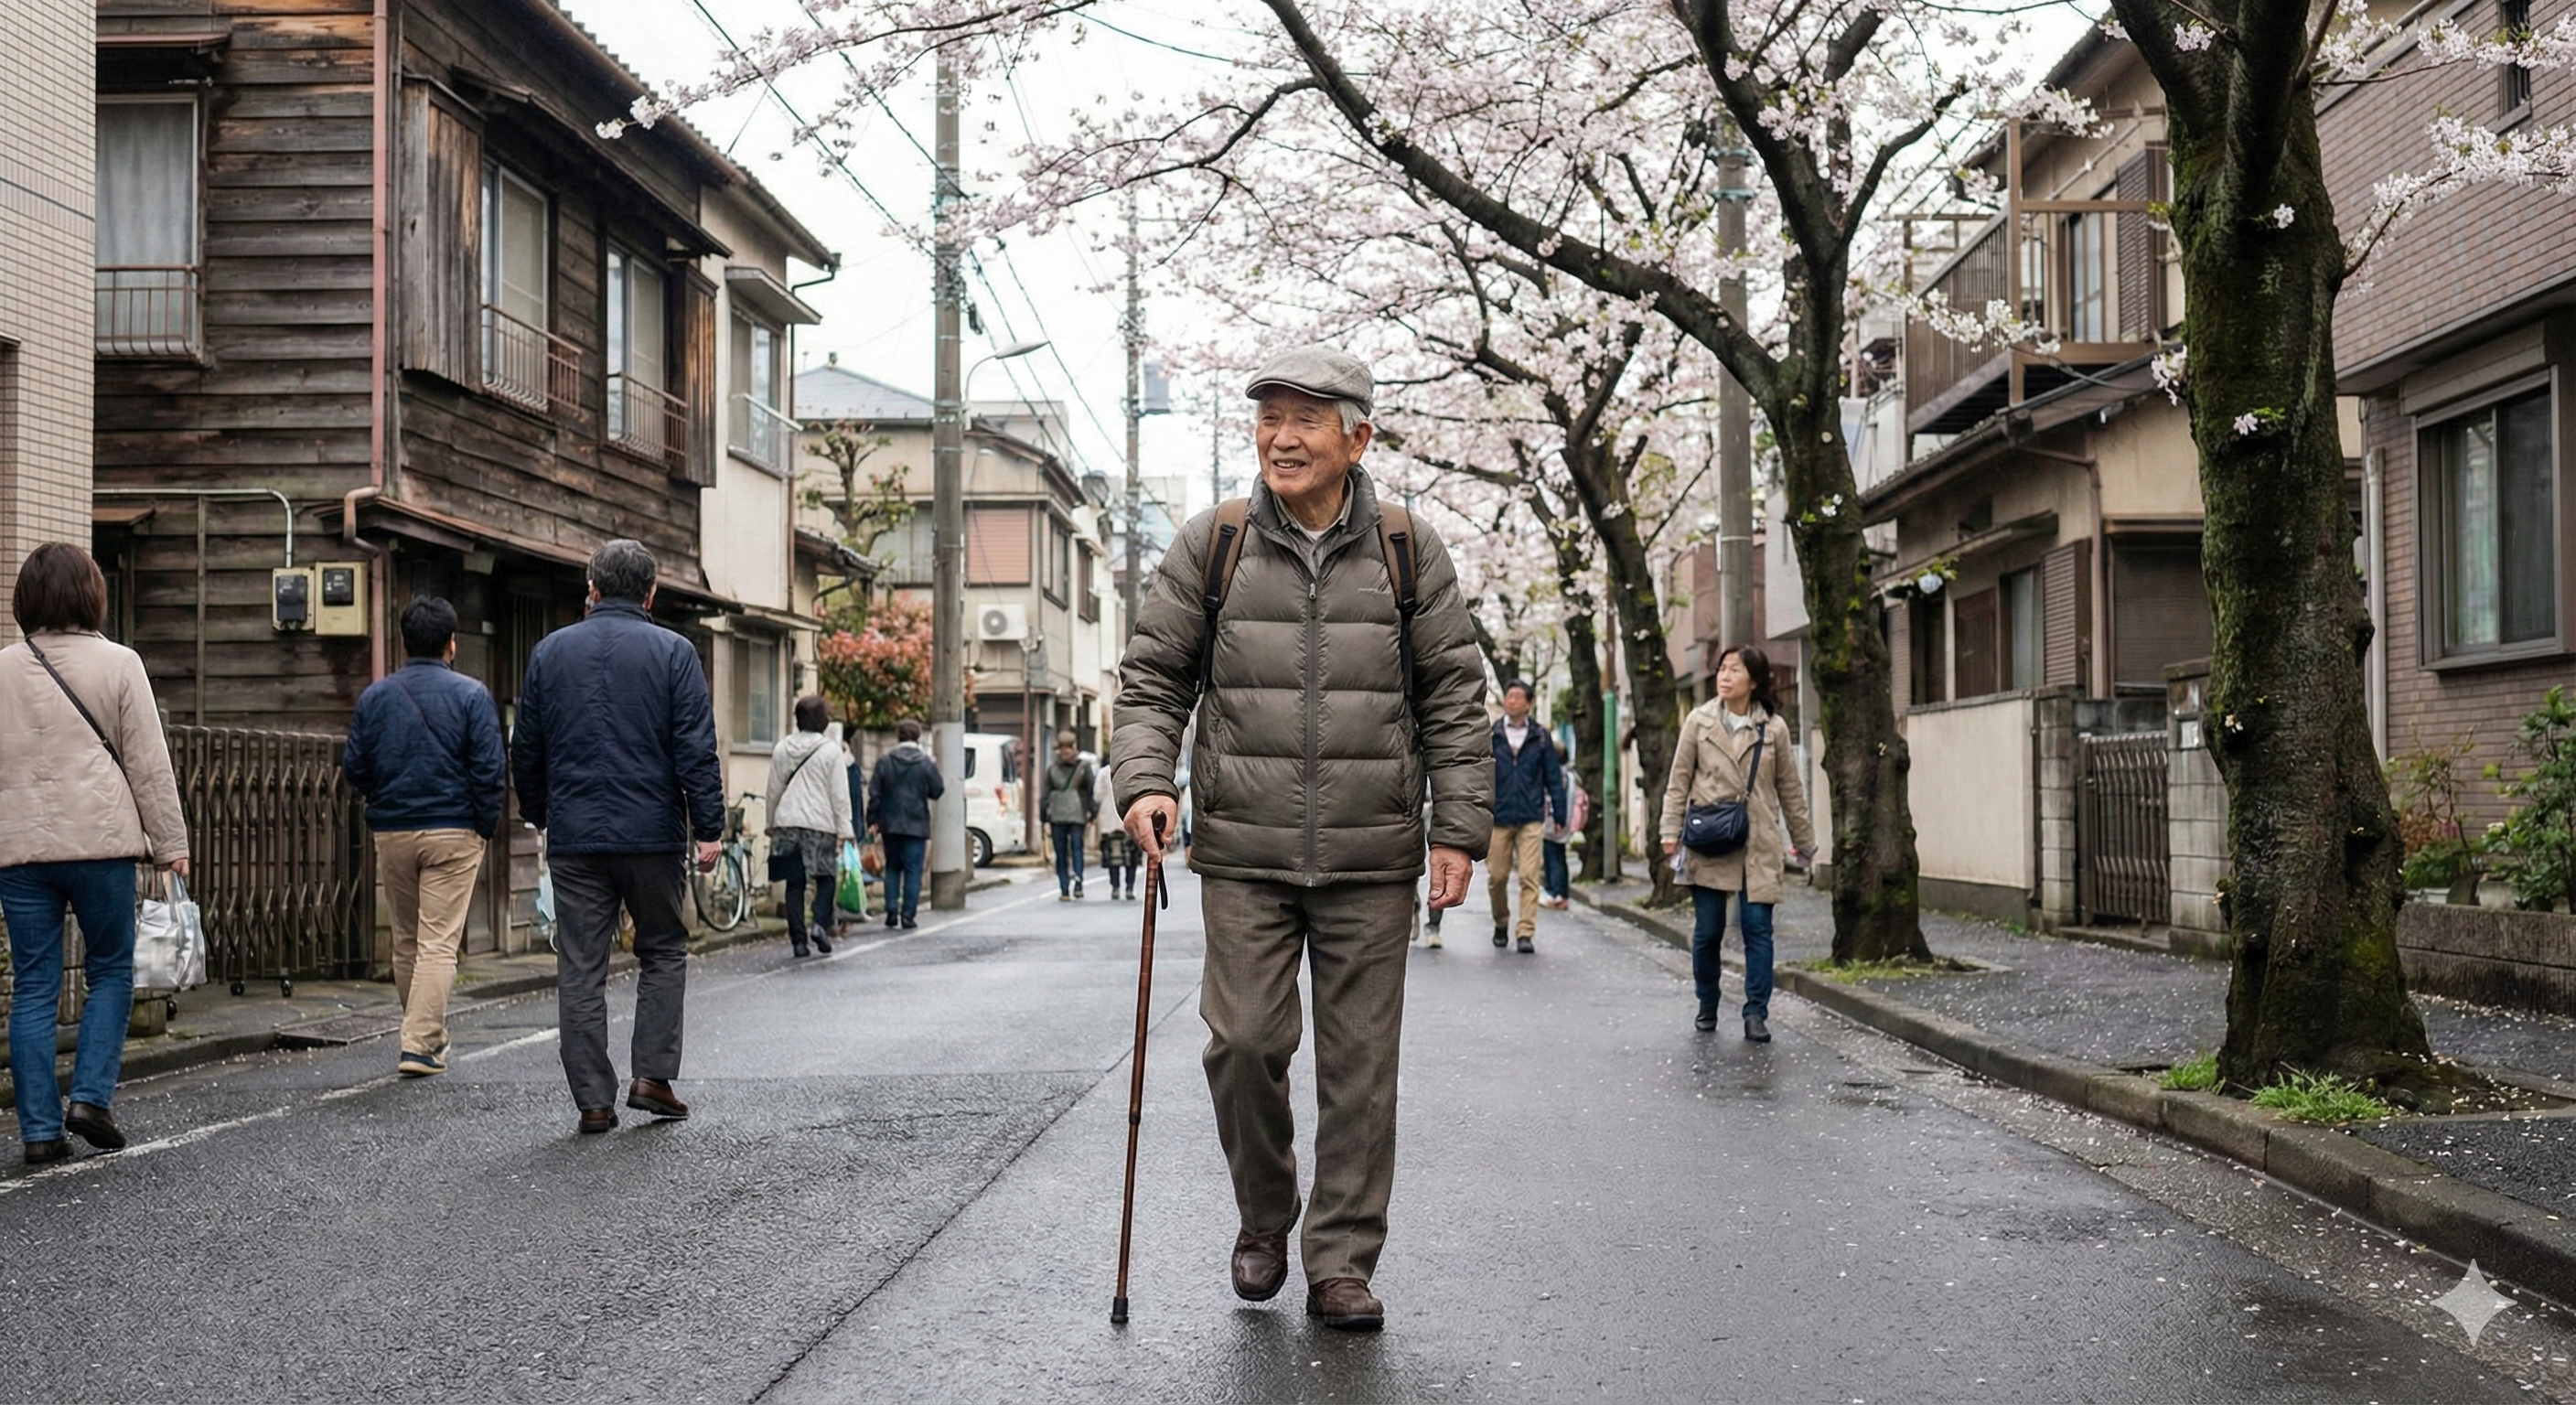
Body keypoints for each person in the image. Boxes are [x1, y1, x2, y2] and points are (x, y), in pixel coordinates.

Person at [1111, 343, 1490, 1332]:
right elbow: (1153, 680)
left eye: (1304, 418)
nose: (1281, 436)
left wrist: (1458, 827)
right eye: (1268, 416)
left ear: (1356, 437)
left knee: (1361, 1069)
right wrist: (1145, 780)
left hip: (1371, 855)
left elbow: (1453, 694)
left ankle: (1340, 1261)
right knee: (1239, 1045)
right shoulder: (1216, 542)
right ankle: (1263, 1215)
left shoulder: (1408, 548)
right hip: (1243, 848)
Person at [511, 540, 725, 1134]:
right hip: (653, 834)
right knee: (662, 948)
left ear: (592, 589)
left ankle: (593, 1101)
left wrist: (538, 810)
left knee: (581, 963)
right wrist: (709, 828)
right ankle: (653, 1077)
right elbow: (695, 749)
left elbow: (526, 746)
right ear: (651, 594)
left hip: (576, 834)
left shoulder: (550, 652)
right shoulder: (674, 652)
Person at [0, 543, 189, 1164]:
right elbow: (147, 763)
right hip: (102, 844)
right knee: (110, 968)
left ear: (26, 599)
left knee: (33, 986)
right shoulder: (120, 663)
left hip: (22, 848)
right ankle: (88, 1099)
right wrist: (171, 847)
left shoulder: (1, 669)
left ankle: (38, 1132)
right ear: (91, 595)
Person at [341, 595, 508, 1078]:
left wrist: (384, 800)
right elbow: (490, 770)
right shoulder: (472, 695)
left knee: (407, 940)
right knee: (438, 942)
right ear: (451, 644)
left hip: (393, 830)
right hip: (454, 829)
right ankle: (419, 1043)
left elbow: (355, 767)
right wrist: (485, 825)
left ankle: (423, 1037)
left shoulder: (376, 697)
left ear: (404, 641)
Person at [1658, 644, 1815, 1043]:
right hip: (1711, 836)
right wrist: (1669, 831)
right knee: (1708, 932)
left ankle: (1755, 1013)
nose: (1725, 676)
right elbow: (1679, 780)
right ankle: (1707, 1003)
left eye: (1734, 670)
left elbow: (1790, 789)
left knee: (1758, 929)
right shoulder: (1699, 721)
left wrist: (1804, 842)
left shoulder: (1773, 727)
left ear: (1755, 681)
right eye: (1722, 669)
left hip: (1759, 841)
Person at [766, 696, 855, 959]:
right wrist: (845, 829)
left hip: (787, 821)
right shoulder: (830, 751)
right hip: (819, 823)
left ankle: (798, 941)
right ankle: (819, 924)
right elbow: (839, 794)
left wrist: (770, 823)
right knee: (825, 877)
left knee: (795, 883)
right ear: (822, 720)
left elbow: (773, 790)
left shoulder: (782, 748)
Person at [1486, 681, 1567, 954]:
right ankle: (1501, 921)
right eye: (1510, 696)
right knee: (1497, 877)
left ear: (1529, 703)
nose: (1513, 701)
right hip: (1499, 815)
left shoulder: (1541, 737)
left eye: (1519, 697)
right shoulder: (1493, 734)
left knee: (1530, 876)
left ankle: (1525, 931)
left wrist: (1559, 812)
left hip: (1531, 816)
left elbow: (1553, 778)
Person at [867, 717, 943, 929]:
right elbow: (938, 790)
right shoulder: (925, 763)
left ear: (898, 737)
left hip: (890, 823)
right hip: (916, 824)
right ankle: (908, 914)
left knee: (892, 866)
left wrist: (873, 819)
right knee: (913, 870)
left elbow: (875, 793)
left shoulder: (885, 761)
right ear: (917, 737)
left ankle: (891, 908)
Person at [1042, 731, 1097, 901]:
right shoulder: (1083, 767)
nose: (1065, 752)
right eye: (1063, 748)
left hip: (1062, 816)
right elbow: (1091, 791)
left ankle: (1066, 887)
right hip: (1073, 815)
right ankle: (1075, 884)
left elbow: (1045, 795)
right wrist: (1091, 814)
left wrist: (1044, 819)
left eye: (1066, 748)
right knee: (1075, 849)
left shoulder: (1052, 768)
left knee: (1063, 852)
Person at [1540, 736, 1583, 910]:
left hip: (1555, 823)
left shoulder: (1559, 774)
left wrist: (1556, 819)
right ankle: (1558, 893)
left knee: (1554, 857)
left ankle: (1557, 893)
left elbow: (1553, 798)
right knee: (1557, 856)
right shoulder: (1569, 774)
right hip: (1560, 821)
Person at [1096, 767, 1143, 901]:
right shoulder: (1133, 769)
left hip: (1109, 821)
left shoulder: (1104, 773)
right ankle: (1129, 887)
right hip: (1129, 819)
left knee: (1113, 859)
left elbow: (1097, 795)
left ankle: (1115, 887)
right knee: (1131, 858)